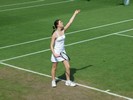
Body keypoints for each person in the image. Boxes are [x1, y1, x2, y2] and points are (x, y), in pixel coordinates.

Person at [50, 10, 80, 87]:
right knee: (54, 67)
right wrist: (54, 54)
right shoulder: (55, 34)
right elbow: (51, 45)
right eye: (61, 22)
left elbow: (70, 22)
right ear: (57, 25)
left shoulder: (63, 31)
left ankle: (68, 81)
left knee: (68, 67)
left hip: (63, 52)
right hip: (56, 53)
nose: (62, 23)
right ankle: (53, 81)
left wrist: (75, 14)